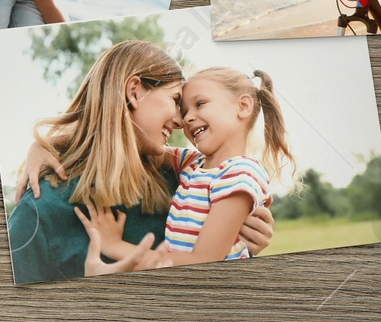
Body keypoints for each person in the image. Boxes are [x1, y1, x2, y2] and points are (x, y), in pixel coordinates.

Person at [8, 40, 276, 283]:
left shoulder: (179, 182)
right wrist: (43, 144)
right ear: (134, 91)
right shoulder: (40, 211)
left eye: (199, 104)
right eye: (176, 102)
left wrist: (244, 248)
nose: (181, 122)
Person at [80, 66, 291, 268]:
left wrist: (116, 247)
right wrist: (51, 144)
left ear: (243, 106)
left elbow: (203, 261)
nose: (186, 119)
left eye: (200, 104)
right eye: (183, 110)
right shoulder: (193, 164)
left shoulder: (240, 174)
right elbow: (138, 142)